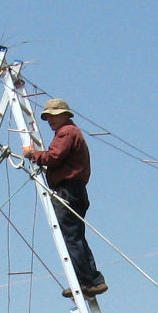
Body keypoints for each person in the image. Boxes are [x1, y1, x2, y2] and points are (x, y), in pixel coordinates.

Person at [22, 98, 108, 298]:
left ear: (64, 115)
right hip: (75, 190)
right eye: (47, 117)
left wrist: (32, 154)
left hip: (68, 190)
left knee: (71, 237)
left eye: (53, 116)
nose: (50, 121)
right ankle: (89, 280)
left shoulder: (67, 132)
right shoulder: (70, 132)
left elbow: (54, 156)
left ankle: (88, 281)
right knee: (75, 236)